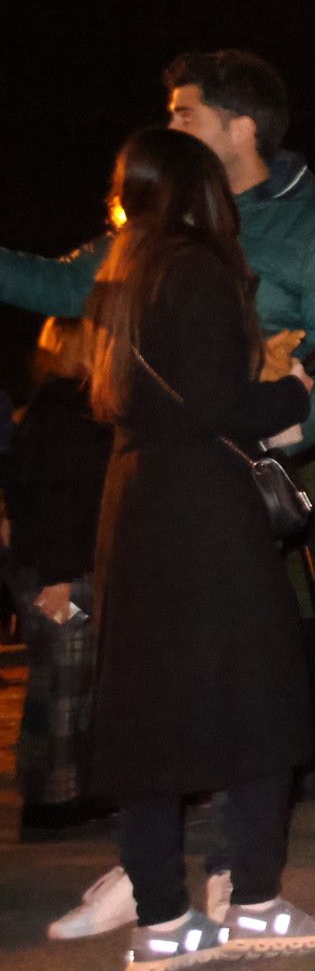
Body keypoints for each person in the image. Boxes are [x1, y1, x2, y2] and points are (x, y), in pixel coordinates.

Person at [84, 127, 315, 965]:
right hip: (202, 513)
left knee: (150, 712)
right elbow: (216, 403)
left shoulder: (125, 274)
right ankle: (256, 901)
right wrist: (291, 389)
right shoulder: (195, 268)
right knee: (260, 699)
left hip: (139, 505)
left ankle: (163, 919)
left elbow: (161, 400)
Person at [0, 50, 315, 452]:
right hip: (144, 462)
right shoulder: (168, 218)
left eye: (186, 116)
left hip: (227, 482)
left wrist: (270, 437)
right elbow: (65, 284)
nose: (171, 129)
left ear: (242, 131)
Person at [2, 318, 113, 840]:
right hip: (60, 576)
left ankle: (57, 793)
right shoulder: (68, 413)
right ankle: (56, 800)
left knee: (61, 678)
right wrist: (59, 577)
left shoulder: (51, 409)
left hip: (52, 570)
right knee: (66, 680)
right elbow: (56, 504)